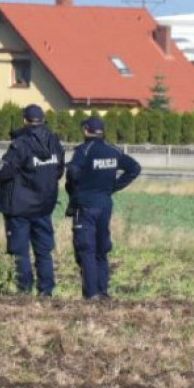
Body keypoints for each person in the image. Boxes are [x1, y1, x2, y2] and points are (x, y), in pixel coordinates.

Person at [0, 104, 65, 296]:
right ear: (43, 120)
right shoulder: (54, 143)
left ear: (25, 120)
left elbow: (2, 172)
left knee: (20, 251)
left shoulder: (21, 144)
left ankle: (24, 290)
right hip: (44, 206)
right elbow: (58, 171)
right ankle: (46, 291)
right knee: (43, 251)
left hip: (19, 208)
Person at [64, 116, 141, 300]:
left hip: (86, 206)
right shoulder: (112, 150)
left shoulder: (84, 150)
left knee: (86, 249)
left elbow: (73, 172)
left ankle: (91, 294)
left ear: (85, 130)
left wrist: (76, 189)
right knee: (101, 249)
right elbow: (134, 168)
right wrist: (113, 186)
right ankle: (102, 292)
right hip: (105, 204)